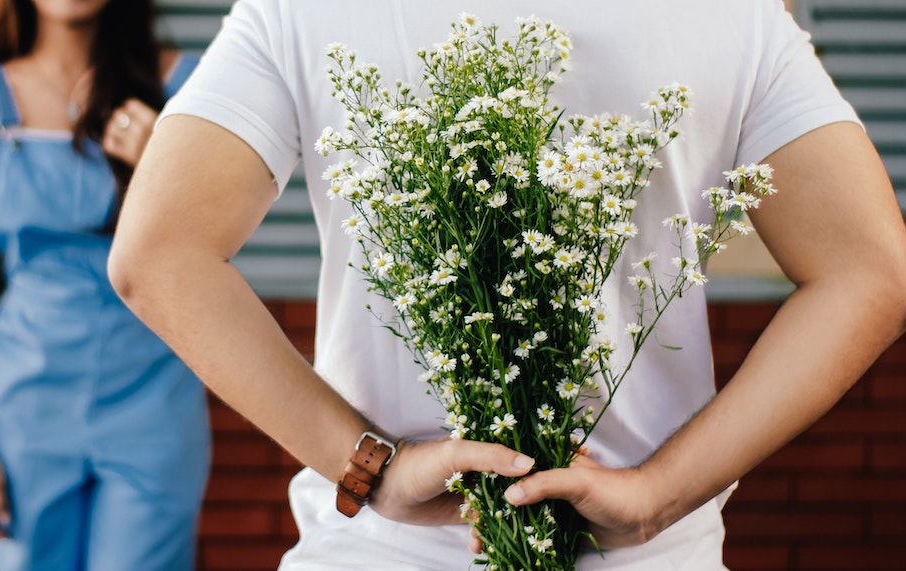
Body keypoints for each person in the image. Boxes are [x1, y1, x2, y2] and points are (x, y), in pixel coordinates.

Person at [108, 0, 906, 569]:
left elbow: (156, 254)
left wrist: (370, 469)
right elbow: (875, 271)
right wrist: (659, 492)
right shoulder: (734, 13)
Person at [0, 0, 210, 568]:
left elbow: (214, 257)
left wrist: (159, 169)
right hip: (24, 412)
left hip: (155, 405)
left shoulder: (188, 90)